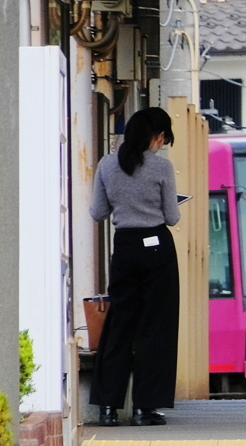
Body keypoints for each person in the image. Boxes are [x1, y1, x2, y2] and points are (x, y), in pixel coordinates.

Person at [89, 107, 181, 427]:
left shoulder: (106, 164)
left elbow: (97, 211)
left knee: (119, 326)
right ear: (155, 137)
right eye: (162, 138)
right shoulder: (161, 167)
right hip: (157, 248)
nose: (162, 144)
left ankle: (107, 408)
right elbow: (171, 217)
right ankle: (145, 408)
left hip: (125, 248)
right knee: (156, 329)